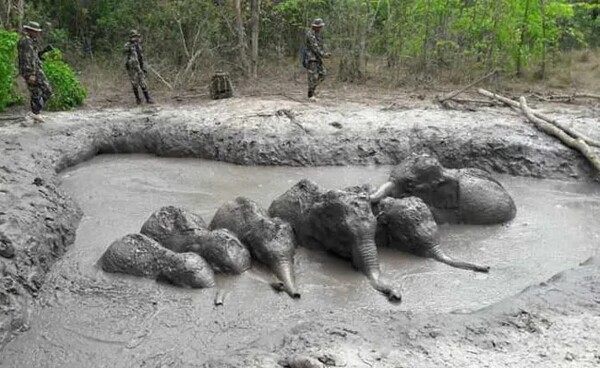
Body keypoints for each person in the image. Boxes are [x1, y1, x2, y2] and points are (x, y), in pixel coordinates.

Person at [17, 21, 53, 123]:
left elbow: (32, 56)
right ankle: (35, 112)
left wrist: (40, 56)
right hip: (33, 71)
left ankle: (36, 114)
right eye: (35, 31)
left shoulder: (29, 41)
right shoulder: (26, 41)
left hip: (31, 69)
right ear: (30, 31)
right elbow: (27, 58)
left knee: (36, 92)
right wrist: (30, 74)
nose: (37, 33)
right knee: (47, 90)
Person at [124, 29, 154, 105]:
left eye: (137, 37)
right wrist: (131, 43)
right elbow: (124, 51)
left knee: (143, 82)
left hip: (140, 66)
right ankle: (138, 99)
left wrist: (143, 66)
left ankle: (148, 99)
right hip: (132, 67)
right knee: (134, 83)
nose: (136, 38)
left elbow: (141, 56)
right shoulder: (128, 45)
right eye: (134, 37)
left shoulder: (139, 44)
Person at [305, 18, 330, 102]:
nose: (320, 28)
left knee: (323, 74)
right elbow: (315, 47)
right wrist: (323, 54)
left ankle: (312, 90)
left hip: (317, 58)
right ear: (314, 27)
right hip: (311, 58)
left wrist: (324, 53)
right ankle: (310, 94)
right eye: (319, 27)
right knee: (312, 77)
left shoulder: (317, 34)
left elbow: (320, 46)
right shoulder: (310, 34)